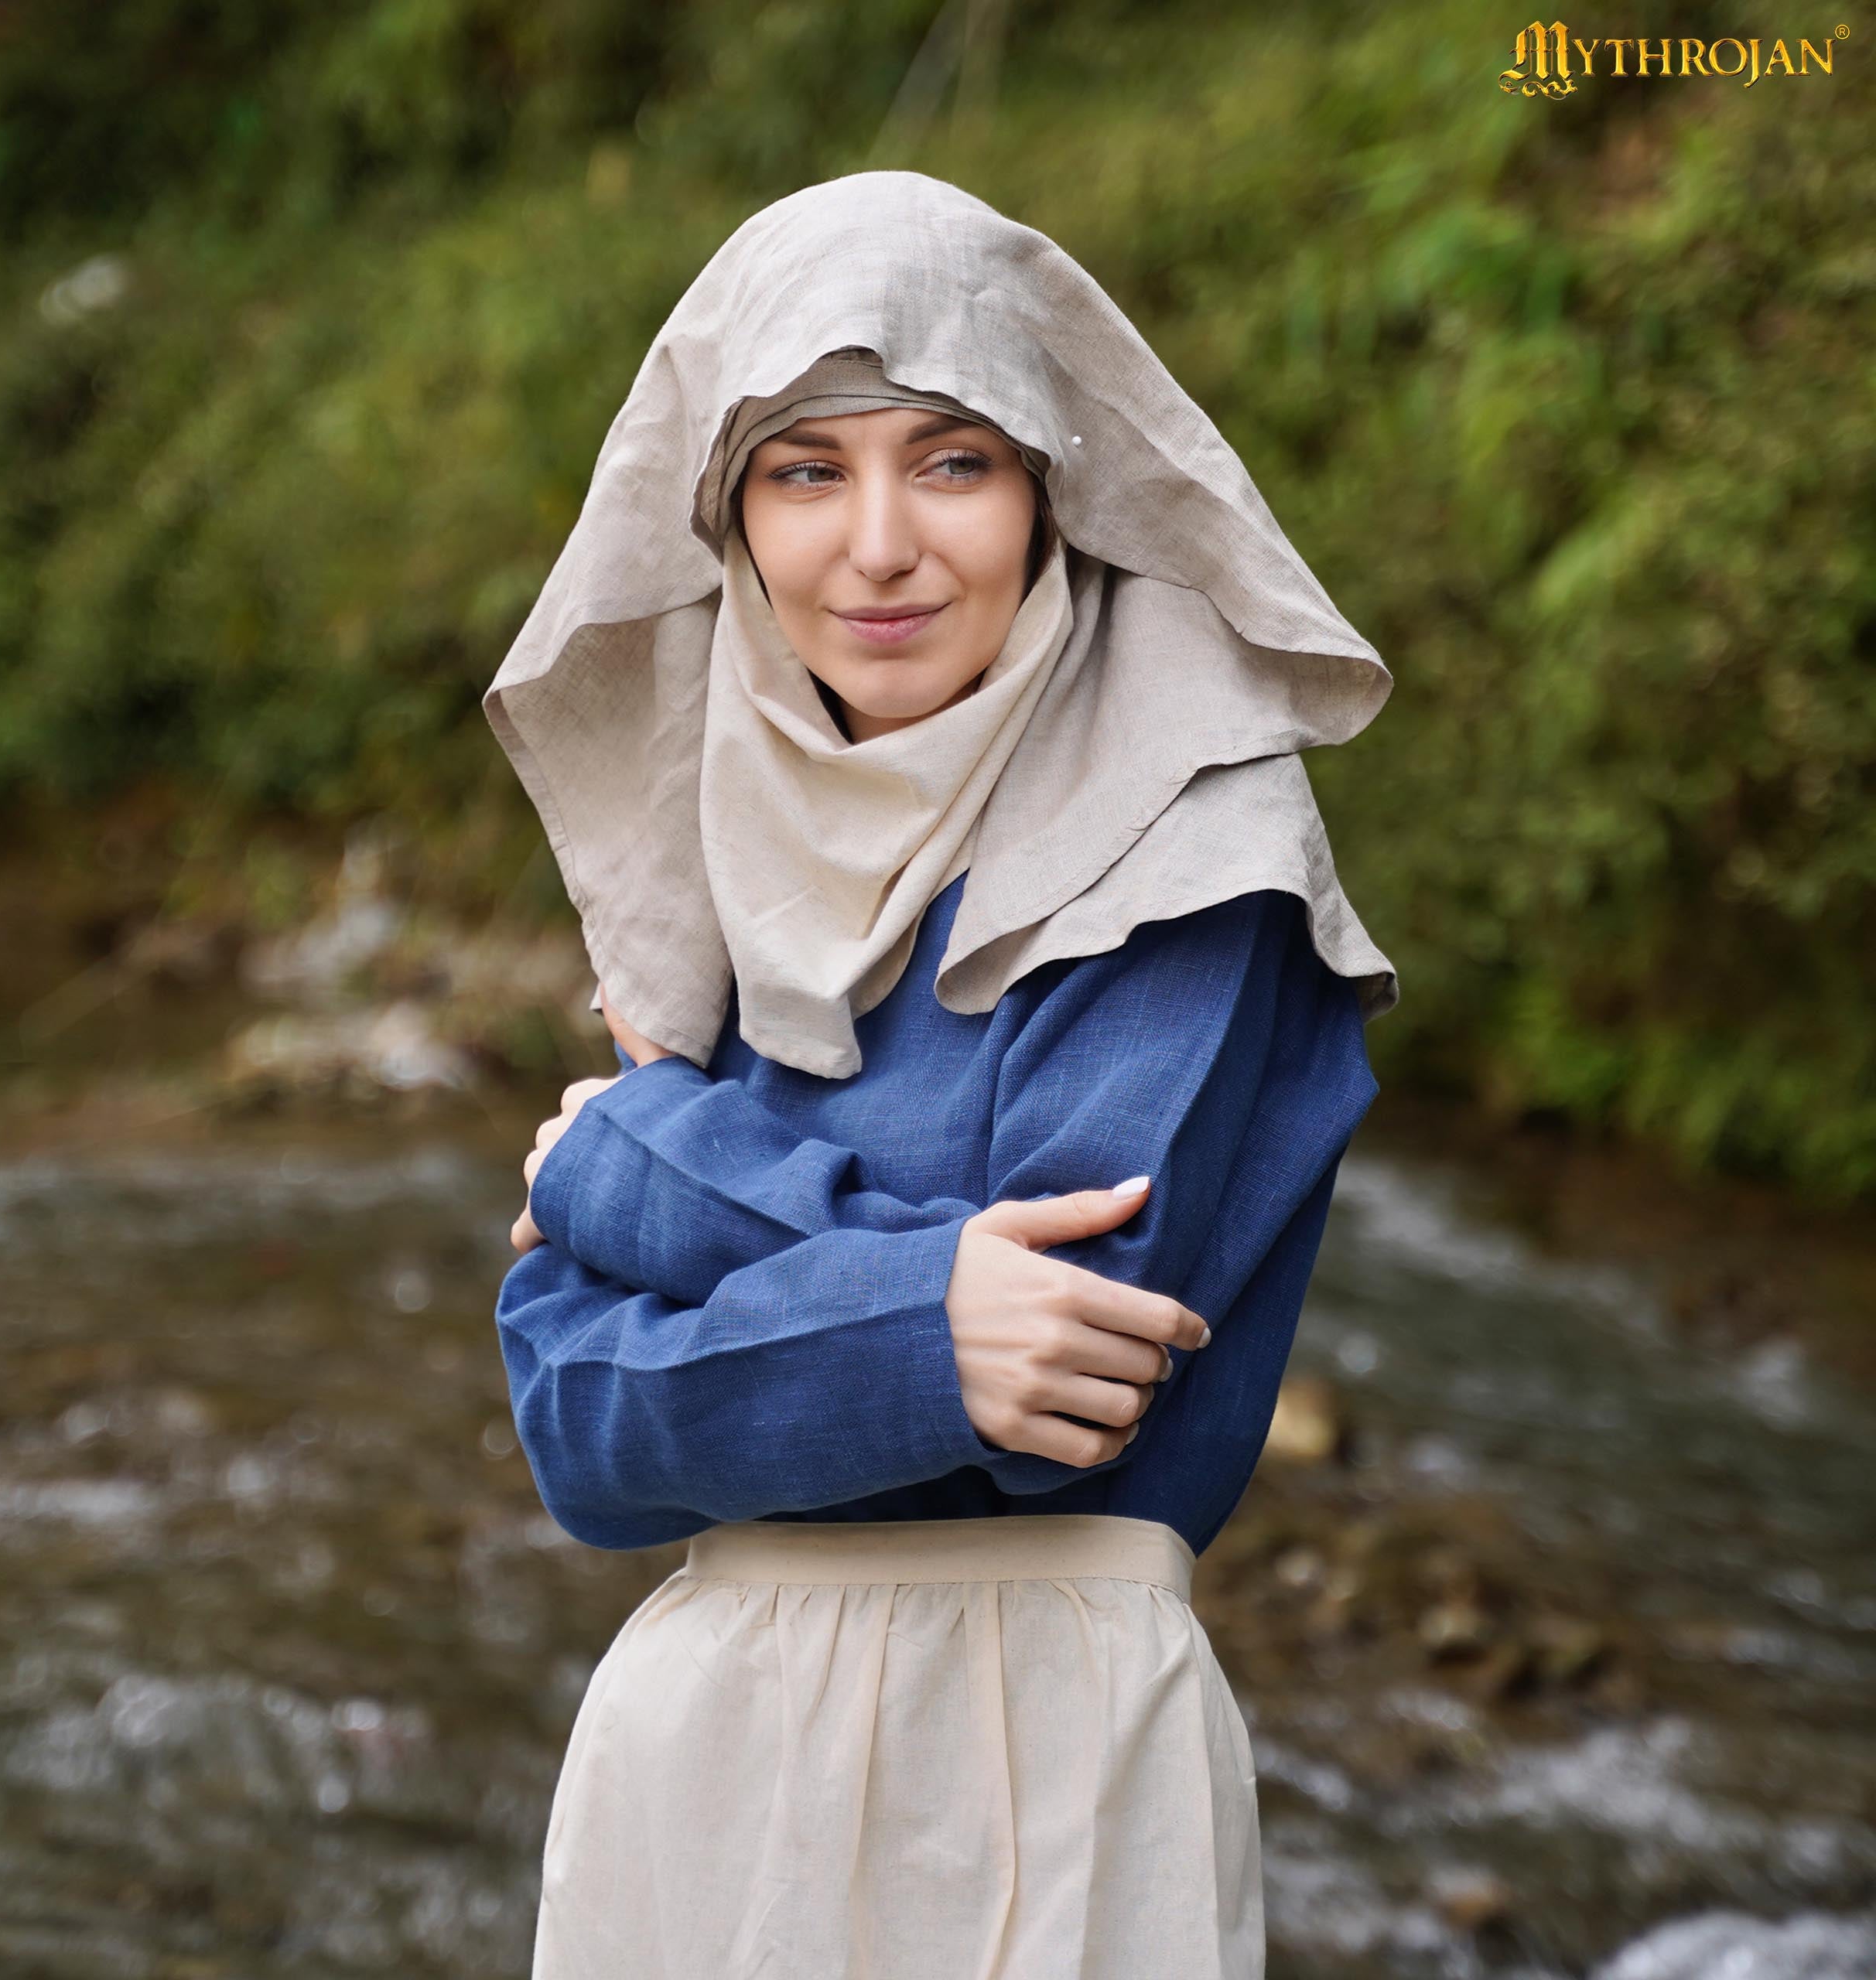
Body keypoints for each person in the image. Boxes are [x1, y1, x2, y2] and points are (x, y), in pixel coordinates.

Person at [482, 169, 1395, 1980]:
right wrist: (922, 1311)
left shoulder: (1185, 834)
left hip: (1039, 1739)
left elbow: (1073, 1358)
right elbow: (574, 1428)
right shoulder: (713, 849)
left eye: (952, 460)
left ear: (1050, 484)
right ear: (730, 516)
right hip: (698, 1747)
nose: (878, 544)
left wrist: (628, 1161)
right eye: (805, 470)